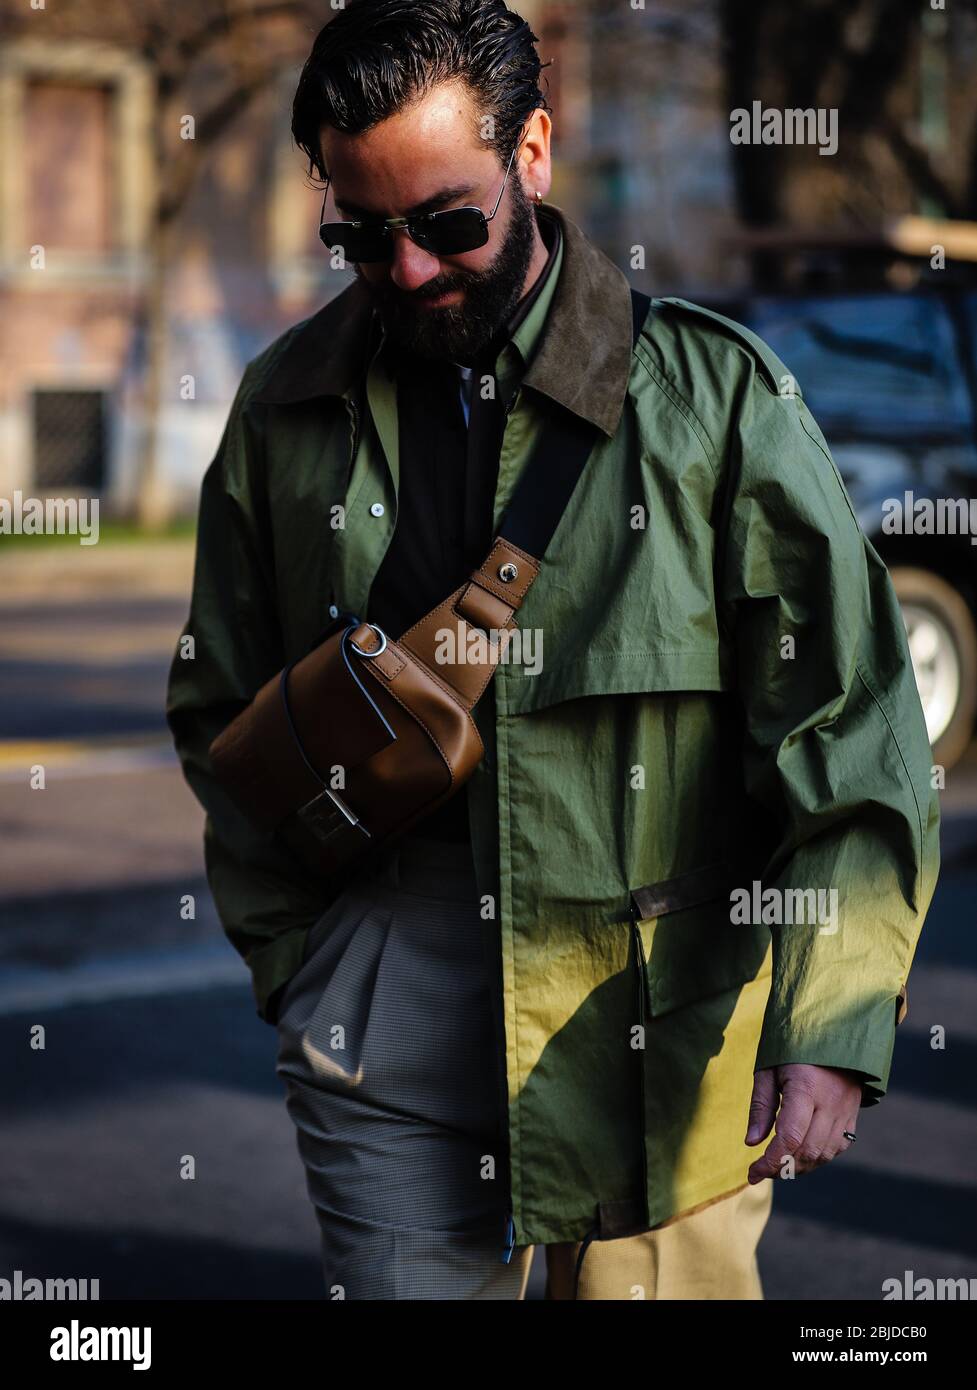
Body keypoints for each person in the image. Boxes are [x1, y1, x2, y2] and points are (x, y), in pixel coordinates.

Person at [166, 0, 940, 1301]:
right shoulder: (282, 407)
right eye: (360, 234)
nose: (405, 269)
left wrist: (827, 1023)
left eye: (446, 222)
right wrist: (304, 971)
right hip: (381, 1011)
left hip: (661, 1013)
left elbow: (851, 732)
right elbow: (222, 709)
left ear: (533, 151)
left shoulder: (716, 404)